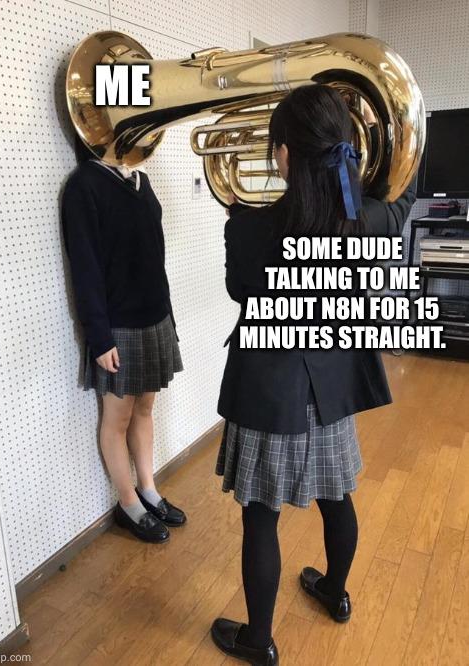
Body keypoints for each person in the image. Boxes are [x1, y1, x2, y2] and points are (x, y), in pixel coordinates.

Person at [211, 84, 416, 665]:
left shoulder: (247, 226)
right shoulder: (370, 220)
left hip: (267, 392)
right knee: (336, 496)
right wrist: (394, 144)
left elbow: (239, 291)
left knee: (261, 518)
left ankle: (259, 641)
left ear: (282, 153)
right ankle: (335, 592)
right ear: (347, 150)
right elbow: (403, 194)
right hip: (329, 391)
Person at [61, 136, 186, 545]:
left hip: (154, 317)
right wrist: (99, 337)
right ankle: (128, 504)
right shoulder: (83, 185)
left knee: (145, 408)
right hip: (118, 327)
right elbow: (84, 268)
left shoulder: (140, 181)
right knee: (117, 418)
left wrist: (169, 318)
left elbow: (156, 257)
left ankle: (148, 490)